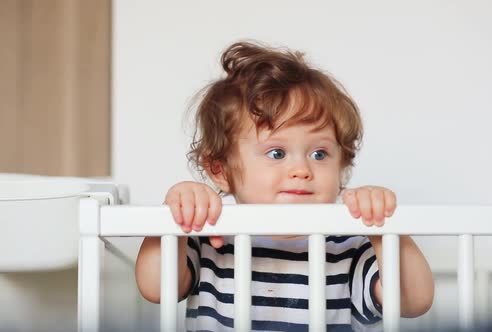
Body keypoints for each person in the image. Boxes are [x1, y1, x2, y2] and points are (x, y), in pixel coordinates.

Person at [135, 41, 434, 331]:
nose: (302, 169)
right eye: (276, 153)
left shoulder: (349, 245)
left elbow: (414, 302)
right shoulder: (212, 239)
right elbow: (156, 288)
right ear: (220, 169)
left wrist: (384, 229)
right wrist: (176, 220)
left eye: (320, 154)